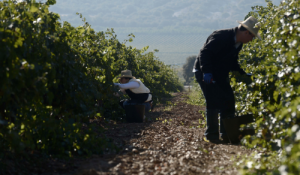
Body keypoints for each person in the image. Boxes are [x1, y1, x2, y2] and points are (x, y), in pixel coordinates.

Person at [193, 16, 261, 143]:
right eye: (252, 36)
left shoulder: (238, 44)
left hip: (220, 74)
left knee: (228, 100)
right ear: (246, 32)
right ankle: (212, 135)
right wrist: (207, 72)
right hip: (204, 71)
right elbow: (204, 53)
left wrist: (243, 74)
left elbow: (232, 62)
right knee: (213, 100)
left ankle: (226, 134)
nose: (251, 40)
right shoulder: (221, 36)